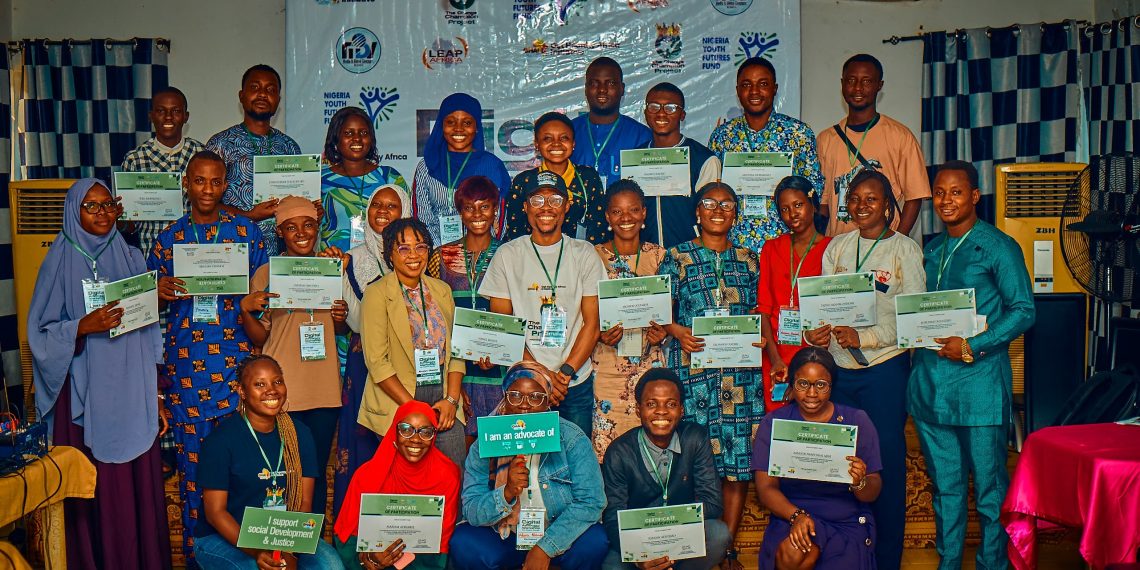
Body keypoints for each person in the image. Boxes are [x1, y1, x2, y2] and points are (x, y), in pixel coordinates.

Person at [28, 178, 171, 570]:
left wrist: (156, 394)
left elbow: (148, 329)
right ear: (74, 212)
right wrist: (81, 327)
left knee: (130, 490)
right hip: (83, 397)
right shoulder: (57, 261)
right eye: (91, 207)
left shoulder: (129, 256)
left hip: (130, 392)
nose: (102, 214)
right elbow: (39, 333)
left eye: (108, 205)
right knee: (92, 490)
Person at [908, 161, 1035, 570]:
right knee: (945, 490)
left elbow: (1023, 311)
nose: (946, 200)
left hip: (979, 387)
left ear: (975, 196)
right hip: (932, 390)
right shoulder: (931, 250)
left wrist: (973, 346)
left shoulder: (998, 246)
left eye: (956, 192)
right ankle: (948, 565)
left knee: (990, 492)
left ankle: (991, 564)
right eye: (940, 193)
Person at [148, 150, 270, 560]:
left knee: (243, 468)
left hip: (236, 364)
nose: (207, 189)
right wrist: (157, 292)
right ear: (186, 184)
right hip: (188, 370)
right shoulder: (167, 240)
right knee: (194, 472)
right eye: (199, 181)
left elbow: (264, 301)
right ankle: (202, 557)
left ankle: (251, 556)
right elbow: (147, 310)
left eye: (216, 181)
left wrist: (253, 301)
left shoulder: (247, 234)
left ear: (225, 185)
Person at [804, 169, 924, 570]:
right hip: (840, 372)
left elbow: (914, 321)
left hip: (884, 372)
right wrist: (815, 334)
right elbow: (818, 309)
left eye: (871, 199)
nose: (861, 206)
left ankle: (887, 560)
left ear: (889, 205)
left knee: (883, 464)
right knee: (841, 465)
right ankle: (847, 554)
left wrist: (866, 338)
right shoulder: (836, 246)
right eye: (854, 199)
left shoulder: (905, 250)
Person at [658, 181, 762, 566]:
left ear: (736, 213)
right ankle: (688, 546)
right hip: (692, 375)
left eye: (727, 204)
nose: (718, 209)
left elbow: (759, 313)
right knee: (693, 462)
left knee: (736, 467)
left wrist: (761, 336)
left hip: (740, 379)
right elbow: (658, 307)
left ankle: (726, 547)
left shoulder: (749, 259)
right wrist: (675, 330)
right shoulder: (677, 257)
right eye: (709, 203)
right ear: (697, 213)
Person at [239, 197, 349, 521]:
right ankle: (280, 546)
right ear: (280, 232)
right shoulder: (266, 273)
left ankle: (311, 548)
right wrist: (246, 309)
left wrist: (340, 316)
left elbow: (341, 327)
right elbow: (260, 337)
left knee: (313, 474)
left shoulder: (333, 268)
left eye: (308, 225)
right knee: (281, 473)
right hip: (282, 391)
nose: (301, 233)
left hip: (325, 390)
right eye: (291, 227)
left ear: (318, 227)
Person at [480, 171, 606, 438]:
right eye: (537, 200)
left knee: (576, 460)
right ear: (525, 207)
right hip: (524, 384)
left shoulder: (584, 253)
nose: (546, 208)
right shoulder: (507, 255)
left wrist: (564, 373)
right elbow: (503, 327)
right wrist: (541, 375)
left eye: (555, 200)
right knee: (524, 465)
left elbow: (592, 323)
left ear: (567, 206)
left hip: (574, 381)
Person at [449, 363, 609, 570]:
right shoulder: (486, 443)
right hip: (506, 534)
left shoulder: (572, 438)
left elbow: (592, 502)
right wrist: (506, 493)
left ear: (548, 403)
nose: (525, 405)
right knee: (464, 541)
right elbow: (471, 509)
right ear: (504, 400)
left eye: (536, 397)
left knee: (595, 541)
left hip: (559, 532)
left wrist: (545, 548)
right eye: (515, 395)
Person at [194, 355, 342, 569]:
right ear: (242, 392)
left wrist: (289, 549)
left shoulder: (300, 434)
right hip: (224, 536)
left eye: (277, 381)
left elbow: (304, 502)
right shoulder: (220, 441)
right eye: (259, 384)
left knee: (331, 565)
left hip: (285, 533)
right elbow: (216, 513)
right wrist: (258, 552)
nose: (271, 390)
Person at [750, 347, 883, 570]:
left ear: (831, 386)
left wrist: (860, 482)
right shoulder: (774, 423)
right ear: (792, 384)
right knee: (794, 552)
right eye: (803, 384)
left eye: (821, 385)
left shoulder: (856, 421)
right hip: (791, 511)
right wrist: (797, 516)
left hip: (844, 516)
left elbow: (873, 490)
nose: (812, 393)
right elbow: (765, 488)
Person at [359, 218, 467, 467]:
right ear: (390, 254)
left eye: (420, 247)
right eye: (403, 248)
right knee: (405, 481)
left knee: (452, 472)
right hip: (399, 397)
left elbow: (457, 352)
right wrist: (413, 409)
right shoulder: (376, 294)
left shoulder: (442, 290)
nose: (413, 255)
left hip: (442, 395)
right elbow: (377, 362)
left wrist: (451, 400)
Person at [333, 183, 413, 514]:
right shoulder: (351, 259)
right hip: (364, 362)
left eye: (392, 206)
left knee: (406, 439)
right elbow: (350, 318)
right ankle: (356, 532)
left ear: (404, 212)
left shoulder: (418, 256)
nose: (382, 210)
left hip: (406, 363)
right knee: (362, 444)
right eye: (376, 205)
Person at [600, 368, 731, 570]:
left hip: (683, 533)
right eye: (651, 404)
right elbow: (613, 516)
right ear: (638, 410)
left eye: (671, 404)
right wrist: (639, 556)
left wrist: (673, 537)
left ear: (681, 410)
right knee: (611, 567)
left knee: (718, 534)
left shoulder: (695, 438)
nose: (661, 411)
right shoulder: (618, 452)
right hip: (639, 539)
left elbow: (712, 502)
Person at [708, 57, 824, 254]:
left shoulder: (798, 133)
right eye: (747, 85)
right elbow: (711, 190)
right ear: (737, 90)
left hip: (786, 244)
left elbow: (813, 188)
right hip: (734, 248)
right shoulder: (723, 135)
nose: (754, 91)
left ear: (775, 88)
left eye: (763, 84)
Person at [334, 400, 462, 569]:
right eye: (406, 430)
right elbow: (347, 537)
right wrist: (368, 560)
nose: (416, 439)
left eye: (425, 432)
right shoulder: (367, 475)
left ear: (434, 435)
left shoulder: (447, 475)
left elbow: (442, 542)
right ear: (395, 432)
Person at [591, 180, 668, 458]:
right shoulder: (592, 256)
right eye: (617, 212)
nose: (626, 218)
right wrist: (599, 333)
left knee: (649, 445)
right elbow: (584, 313)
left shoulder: (659, 256)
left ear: (644, 213)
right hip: (607, 365)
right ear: (608, 215)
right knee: (607, 448)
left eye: (633, 210)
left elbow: (668, 312)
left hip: (650, 365)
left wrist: (664, 332)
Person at [427, 175, 505, 443]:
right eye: (469, 207)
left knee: (500, 455)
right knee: (462, 458)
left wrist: (497, 352)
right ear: (460, 212)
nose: (477, 214)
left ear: (496, 209)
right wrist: (453, 388)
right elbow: (436, 320)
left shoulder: (508, 253)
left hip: (499, 370)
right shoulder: (441, 256)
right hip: (456, 370)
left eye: (485, 206)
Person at [817, 54, 929, 238]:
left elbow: (914, 197)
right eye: (851, 80)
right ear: (842, 84)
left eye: (867, 81)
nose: (858, 88)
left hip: (882, 244)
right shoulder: (826, 139)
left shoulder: (900, 136)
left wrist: (896, 241)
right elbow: (824, 201)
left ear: (879, 85)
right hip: (837, 248)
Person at [207, 64, 302, 255]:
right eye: (255, 87)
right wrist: (249, 216)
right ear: (241, 96)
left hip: (281, 255)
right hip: (232, 249)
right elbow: (203, 203)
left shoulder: (290, 147)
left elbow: (298, 204)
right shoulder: (220, 144)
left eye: (270, 90)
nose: (262, 94)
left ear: (278, 100)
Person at [756, 176, 832, 412]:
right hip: (776, 354)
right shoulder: (772, 248)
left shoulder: (832, 248)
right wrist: (776, 358)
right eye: (785, 209)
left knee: (812, 419)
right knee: (779, 423)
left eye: (798, 205)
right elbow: (764, 309)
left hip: (814, 353)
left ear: (813, 204)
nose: (793, 214)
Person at [412, 93, 511, 245]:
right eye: (451, 122)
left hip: (484, 257)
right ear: (441, 125)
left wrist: (479, 253)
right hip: (437, 256)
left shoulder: (492, 166)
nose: (458, 129)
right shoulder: (427, 165)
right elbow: (422, 219)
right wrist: (442, 254)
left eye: (467, 123)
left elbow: (498, 219)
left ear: (476, 127)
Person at [120, 86, 207, 254]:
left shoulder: (202, 155)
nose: (168, 117)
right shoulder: (135, 160)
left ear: (185, 116)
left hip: (197, 250)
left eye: (175, 111)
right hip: (152, 253)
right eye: (161, 111)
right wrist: (120, 218)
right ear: (151, 116)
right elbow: (130, 225)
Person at [637, 82, 721, 248]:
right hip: (645, 256)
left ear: (682, 114)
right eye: (654, 106)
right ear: (646, 112)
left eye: (670, 108)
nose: (661, 113)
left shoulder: (704, 159)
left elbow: (710, 216)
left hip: (689, 256)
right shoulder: (635, 158)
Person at [504, 112, 607, 243]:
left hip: (579, 259)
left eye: (564, 138)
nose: (556, 144)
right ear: (536, 144)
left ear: (573, 143)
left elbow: (598, 228)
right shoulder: (524, 181)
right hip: (534, 257)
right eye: (547, 138)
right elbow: (516, 233)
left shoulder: (588, 177)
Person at [321, 106, 409, 253]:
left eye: (363, 133)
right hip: (334, 262)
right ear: (336, 139)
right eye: (348, 133)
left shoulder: (389, 177)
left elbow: (407, 223)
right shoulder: (321, 181)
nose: (357, 138)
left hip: (382, 264)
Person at [570, 57, 652, 187]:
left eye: (611, 83)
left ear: (622, 88)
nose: (602, 89)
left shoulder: (642, 136)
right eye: (594, 83)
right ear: (586, 88)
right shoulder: (568, 132)